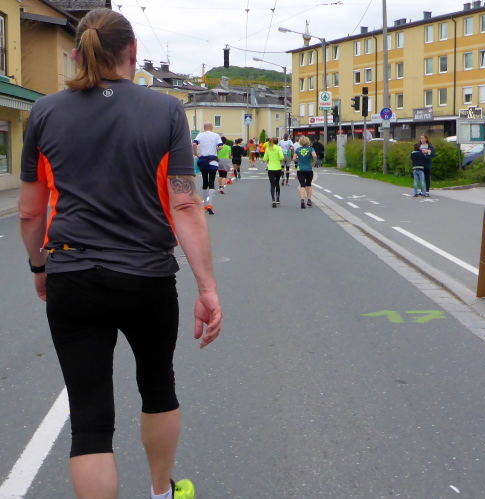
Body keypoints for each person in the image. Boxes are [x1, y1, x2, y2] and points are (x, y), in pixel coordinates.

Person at [18, 9, 221, 499]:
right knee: (158, 387)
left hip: (72, 272)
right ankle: (161, 491)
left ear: (77, 53)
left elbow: (29, 211)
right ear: (132, 52)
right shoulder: (166, 111)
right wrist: (207, 288)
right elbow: (185, 204)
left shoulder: (44, 113)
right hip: (147, 276)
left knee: (89, 419)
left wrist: (40, 267)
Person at [192, 122, 224, 214]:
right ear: (212, 127)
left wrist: (195, 153)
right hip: (213, 160)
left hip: (203, 160)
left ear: (204, 127)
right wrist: (215, 150)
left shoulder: (200, 135)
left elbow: (194, 144)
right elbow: (221, 146)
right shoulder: (216, 135)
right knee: (211, 181)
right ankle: (210, 204)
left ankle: (205, 205)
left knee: (205, 181)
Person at [294, 136, 317, 209]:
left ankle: (302, 200)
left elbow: (294, 158)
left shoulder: (298, 149)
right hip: (309, 169)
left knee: (302, 185)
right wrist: (314, 163)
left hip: (300, 169)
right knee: (309, 184)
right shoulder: (311, 149)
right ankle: (309, 200)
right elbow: (314, 156)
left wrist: (299, 161)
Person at [264, 137, 285, 207]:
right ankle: (278, 198)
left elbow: (265, 158)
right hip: (278, 167)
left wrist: (268, 160)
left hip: (271, 168)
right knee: (277, 183)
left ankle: (273, 200)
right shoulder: (279, 148)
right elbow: (282, 157)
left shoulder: (268, 149)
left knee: (272, 184)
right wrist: (279, 160)